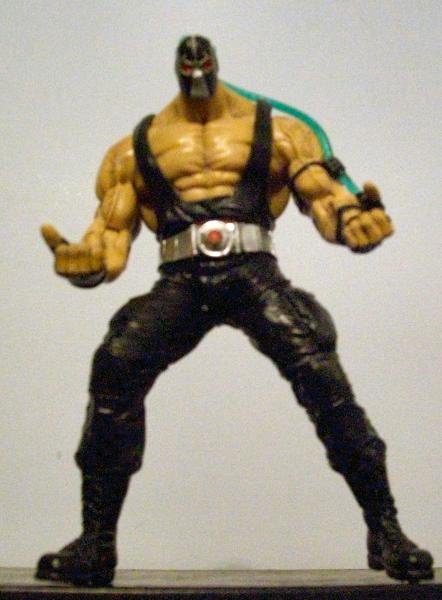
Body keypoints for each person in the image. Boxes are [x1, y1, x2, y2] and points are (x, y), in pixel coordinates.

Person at [37, 35, 433, 586]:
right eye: (188, 66)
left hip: (254, 275)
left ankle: (385, 529)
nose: (197, 72)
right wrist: (86, 264)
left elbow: (325, 198)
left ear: (216, 66)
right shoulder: (133, 149)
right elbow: (109, 238)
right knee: (116, 365)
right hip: (182, 279)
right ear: (177, 70)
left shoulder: (278, 130)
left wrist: (353, 223)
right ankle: (95, 543)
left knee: (323, 377)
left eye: (204, 64)